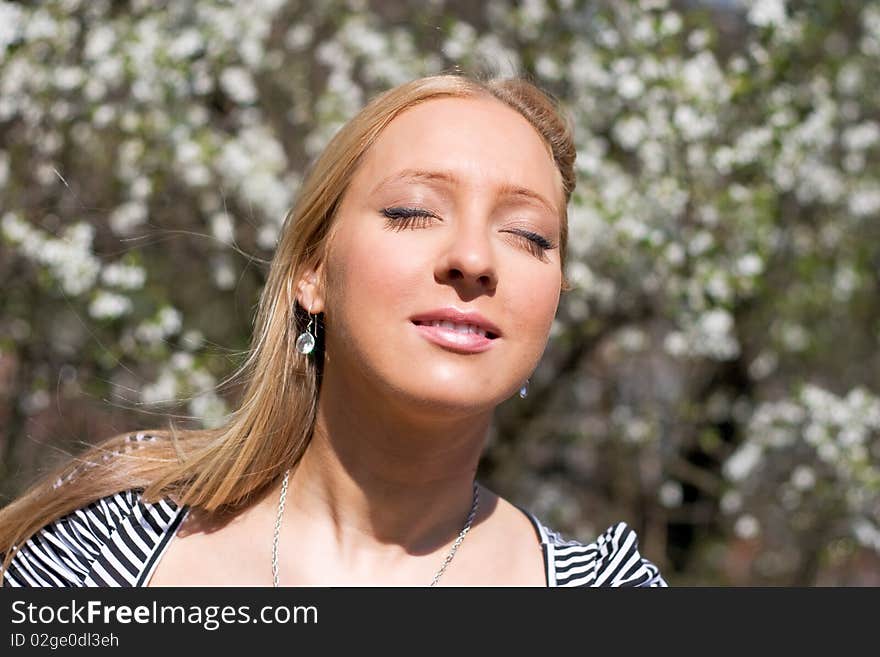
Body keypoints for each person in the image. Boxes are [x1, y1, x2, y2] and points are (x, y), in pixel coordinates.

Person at [0, 72, 667, 587]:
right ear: (312, 271)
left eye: (528, 235)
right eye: (412, 211)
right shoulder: (101, 559)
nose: (474, 259)